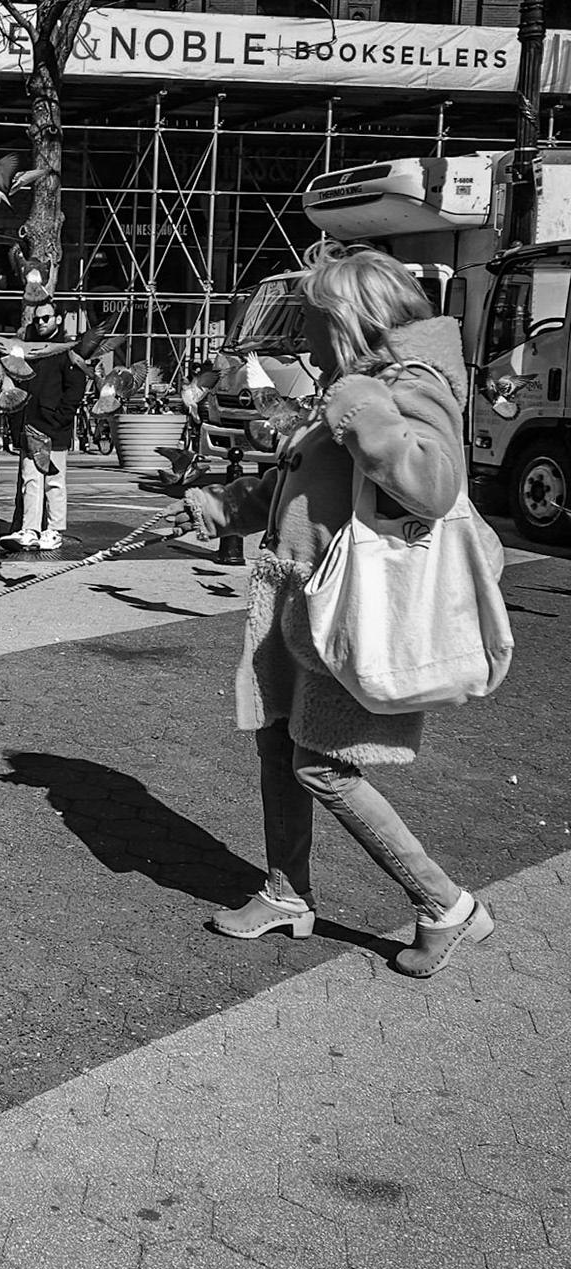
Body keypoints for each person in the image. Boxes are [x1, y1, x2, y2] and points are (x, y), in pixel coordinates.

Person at [175, 240, 495, 978]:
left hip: (349, 610)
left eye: (313, 322)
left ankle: (446, 905)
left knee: (323, 768)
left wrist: (355, 406)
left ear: (351, 319)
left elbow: (432, 485)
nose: (301, 338)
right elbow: (303, 487)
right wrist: (220, 507)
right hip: (293, 600)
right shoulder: (352, 385)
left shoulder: (408, 383)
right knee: (277, 748)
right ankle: (287, 893)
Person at [4, 301, 88, 551]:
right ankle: (30, 529)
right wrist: (16, 421)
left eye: (46, 318)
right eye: (38, 319)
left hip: (53, 427)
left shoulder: (67, 351)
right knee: (30, 479)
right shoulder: (29, 349)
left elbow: (75, 389)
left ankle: (53, 530)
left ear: (58, 320)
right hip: (31, 425)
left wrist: (60, 418)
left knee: (54, 481)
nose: (41, 322)